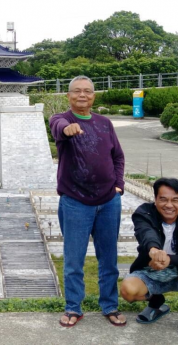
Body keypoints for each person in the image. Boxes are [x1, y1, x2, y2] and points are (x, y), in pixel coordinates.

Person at [49, 76, 127, 328]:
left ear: (94, 96)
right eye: (77, 91)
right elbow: (57, 126)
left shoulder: (105, 123)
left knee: (109, 258)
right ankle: (73, 307)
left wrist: (118, 186)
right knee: (74, 260)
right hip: (75, 201)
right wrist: (66, 129)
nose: (82, 95)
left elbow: (118, 156)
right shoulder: (61, 119)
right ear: (68, 96)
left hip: (108, 201)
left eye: (88, 91)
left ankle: (110, 305)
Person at [120, 178, 178, 338]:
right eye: (163, 199)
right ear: (155, 200)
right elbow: (146, 233)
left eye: (175, 200)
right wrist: (154, 250)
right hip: (150, 270)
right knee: (128, 291)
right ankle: (156, 301)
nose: (169, 205)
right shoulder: (144, 213)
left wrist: (171, 259)